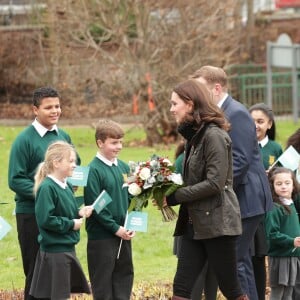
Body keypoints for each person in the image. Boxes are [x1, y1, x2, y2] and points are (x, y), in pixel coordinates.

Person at [191, 66, 273, 300]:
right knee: (239, 262)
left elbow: (240, 160)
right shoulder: (218, 112)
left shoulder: (235, 113)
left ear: (216, 88)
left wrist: (214, 190)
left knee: (234, 262)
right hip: (240, 196)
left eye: (201, 89)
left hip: (246, 196)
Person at [166, 79, 247, 300]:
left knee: (230, 288)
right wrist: (162, 189)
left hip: (218, 224)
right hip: (196, 223)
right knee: (181, 288)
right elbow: (193, 178)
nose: (171, 109)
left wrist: (176, 196)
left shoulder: (214, 135)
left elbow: (215, 183)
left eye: (175, 104)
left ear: (190, 105)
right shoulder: (194, 137)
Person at [8, 86, 80, 300]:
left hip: (60, 216)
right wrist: (46, 194)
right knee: (35, 273)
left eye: (57, 106)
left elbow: (74, 167)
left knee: (58, 273)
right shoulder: (24, 140)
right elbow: (15, 179)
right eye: (48, 107)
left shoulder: (64, 136)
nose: (54, 111)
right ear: (35, 110)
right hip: (31, 215)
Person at [29, 141, 92, 299]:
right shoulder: (47, 188)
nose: (74, 165)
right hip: (55, 253)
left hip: (66, 248)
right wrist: (72, 224)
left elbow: (64, 211)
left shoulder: (66, 186)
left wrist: (79, 212)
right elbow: (46, 220)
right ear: (56, 163)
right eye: (70, 161)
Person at [84, 119, 135, 300]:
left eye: (121, 141)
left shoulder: (123, 167)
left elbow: (132, 197)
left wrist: (131, 224)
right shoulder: (93, 170)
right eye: (114, 142)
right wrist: (116, 229)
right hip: (102, 238)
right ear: (100, 143)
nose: (119, 146)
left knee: (124, 279)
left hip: (124, 235)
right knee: (103, 286)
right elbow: (96, 207)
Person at [173, 139, 218, 300]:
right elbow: (179, 190)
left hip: (212, 222)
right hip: (192, 222)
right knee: (194, 274)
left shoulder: (213, 156)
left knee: (213, 271)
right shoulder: (182, 160)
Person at [249, 102, 283, 300]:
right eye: (251, 121)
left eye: (260, 121)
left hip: (267, 208)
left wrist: (273, 176)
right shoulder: (241, 145)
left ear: (269, 124)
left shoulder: (275, 148)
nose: (256, 126)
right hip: (247, 208)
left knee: (261, 256)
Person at [265, 167, 300, 300]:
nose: (283, 187)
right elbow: (272, 234)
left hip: (293, 256)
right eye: (279, 184)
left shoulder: (292, 205)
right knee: (279, 292)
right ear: (272, 186)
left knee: (289, 293)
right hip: (280, 257)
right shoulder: (274, 208)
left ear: (293, 185)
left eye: (287, 183)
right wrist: (291, 241)